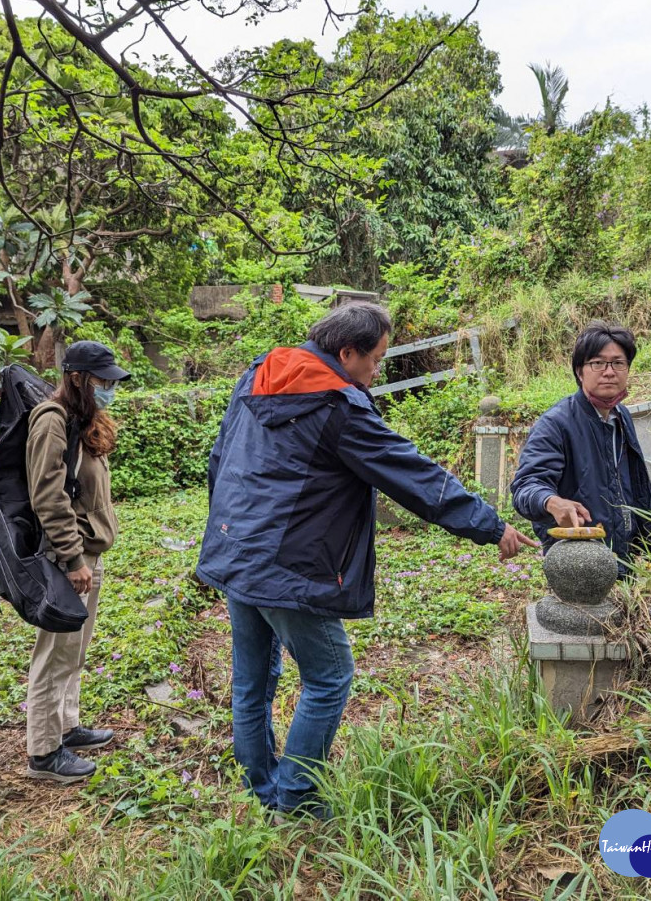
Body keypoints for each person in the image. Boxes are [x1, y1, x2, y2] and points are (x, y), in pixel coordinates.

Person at [196, 302, 537, 818]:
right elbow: (412, 474)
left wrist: (227, 532)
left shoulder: (259, 376)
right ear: (346, 352)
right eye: (375, 360)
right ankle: (296, 799)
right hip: (289, 565)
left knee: (251, 682)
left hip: (236, 550)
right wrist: (489, 525)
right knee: (329, 675)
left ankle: (262, 791)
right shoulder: (337, 406)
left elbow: (219, 459)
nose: (376, 372)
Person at [23, 340, 130, 783]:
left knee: (75, 650)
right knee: (55, 652)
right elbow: (47, 496)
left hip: (87, 553)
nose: (108, 388)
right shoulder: (51, 421)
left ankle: (67, 726)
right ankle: (44, 752)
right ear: (77, 378)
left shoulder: (80, 421)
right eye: (102, 380)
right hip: (68, 556)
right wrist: (71, 559)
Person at [509, 321, 651, 570]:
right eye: (598, 363)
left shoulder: (621, 416)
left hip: (625, 558)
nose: (609, 371)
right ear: (580, 371)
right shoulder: (556, 423)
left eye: (618, 363)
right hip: (578, 562)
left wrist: (647, 541)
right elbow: (526, 486)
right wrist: (551, 501)